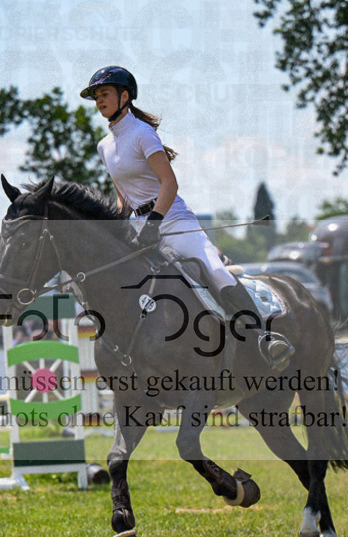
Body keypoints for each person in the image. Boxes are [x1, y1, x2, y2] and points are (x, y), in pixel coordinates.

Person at [81, 66, 294, 370]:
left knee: (215, 270)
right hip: (139, 226)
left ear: (124, 96)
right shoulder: (105, 146)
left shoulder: (143, 134)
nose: (99, 100)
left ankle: (265, 338)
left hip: (174, 221)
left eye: (104, 94)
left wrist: (154, 223)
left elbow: (170, 184)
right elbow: (125, 196)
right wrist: (116, 226)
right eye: (96, 96)